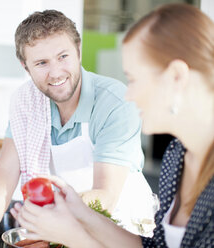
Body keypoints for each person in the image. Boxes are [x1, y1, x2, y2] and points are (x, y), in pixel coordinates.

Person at [11, 3, 214, 248]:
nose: (128, 95)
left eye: (134, 79)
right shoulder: (176, 157)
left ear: (177, 77)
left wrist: (71, 234)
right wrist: (76, 210)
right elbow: (150, 246)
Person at [0, 10, 153, 247]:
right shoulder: (27, 104)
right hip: (61, 229)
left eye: (63, 56)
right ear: (25, 67)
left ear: (78, 51)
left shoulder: (114, 102)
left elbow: (106, 196)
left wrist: (44, 226)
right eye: (41, 63)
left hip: (121, 229)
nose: (56, 72)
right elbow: (5, 171)